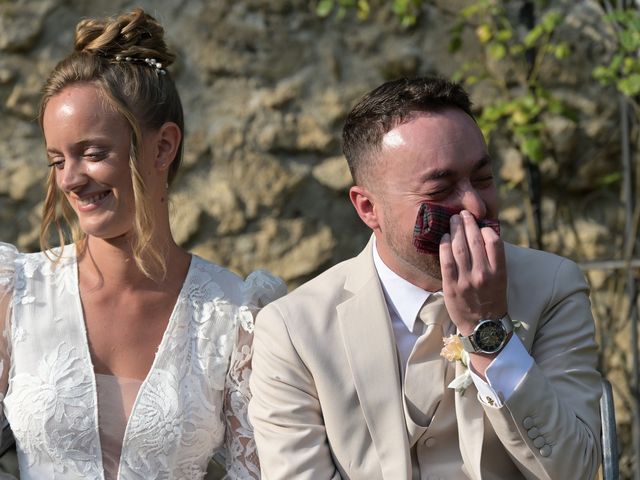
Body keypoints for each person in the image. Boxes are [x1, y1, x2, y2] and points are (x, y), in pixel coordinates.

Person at [249, 77, 602, 479]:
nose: (473, 203)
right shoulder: (295, 330)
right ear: (368, 208)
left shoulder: (552, 286)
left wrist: (489, 333)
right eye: (441, 188)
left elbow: (575, 469)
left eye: (483, 179)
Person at [0, 8, 285, 480]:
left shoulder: (236, 315)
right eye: (56, 160)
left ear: (162, 147)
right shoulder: (14, 294)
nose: (71, 179)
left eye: (92, 153)